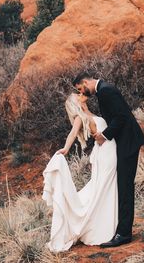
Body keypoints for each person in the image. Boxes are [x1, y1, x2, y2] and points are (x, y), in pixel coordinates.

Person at [73, 72, 144, 248]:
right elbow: (113, 118)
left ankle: (123, 234)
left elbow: (121, 117)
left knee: (125, 187)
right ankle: (121, 230)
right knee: (122, 186)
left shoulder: (106, 91)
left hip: (128, 143)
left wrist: (104, 136)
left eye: (80, 89)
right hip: (124, 143)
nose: (82, 93)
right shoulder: (103, 91)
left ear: (85, 82)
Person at [42, 91, 118, 252]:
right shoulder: (79, 117)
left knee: (104, 188)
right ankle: (99, 228)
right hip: (105, 155)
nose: (80, 93)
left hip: (107, 151)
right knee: (104, 189)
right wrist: (66, 148)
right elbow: (72, 133)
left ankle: (108, 225)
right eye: (77, 94)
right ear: (74, 102)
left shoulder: (87, 112)